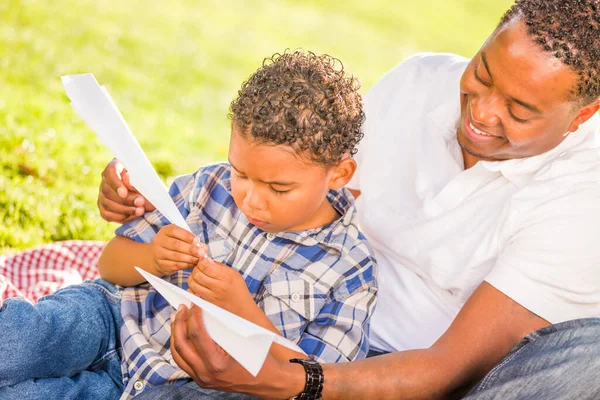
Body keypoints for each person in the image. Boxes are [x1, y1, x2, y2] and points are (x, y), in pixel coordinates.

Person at [101, 0, 600, 399]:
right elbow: (300, 181)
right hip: (288, 314)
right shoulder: (419, 82)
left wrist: (297, 381)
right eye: (484, 75)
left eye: (519, 109)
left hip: (395, 375)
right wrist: (147, 203)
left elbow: (448, 370)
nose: (483, 112)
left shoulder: (583, 201)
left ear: (582, 115)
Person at [0, 51, 378, 400]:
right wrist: (152, 257)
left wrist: (242, 309)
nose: (250, 199)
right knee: (18, 342)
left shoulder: (349, 268)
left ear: (339, 175)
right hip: (115, 318)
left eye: (279, 188)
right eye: (240, 173)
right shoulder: (207, 187)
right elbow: (108, 264)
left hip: (190, 385)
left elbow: (314, 381)